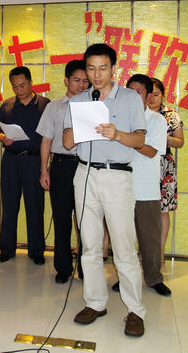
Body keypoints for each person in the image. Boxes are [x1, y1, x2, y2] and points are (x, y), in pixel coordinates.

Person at [63, 44, 146, 337]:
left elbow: (140, 140)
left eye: (103, 68)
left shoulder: (130, 98)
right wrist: (78, 128)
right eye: (91, 68)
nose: (96, 75)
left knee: (123, 247)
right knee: (89, 245)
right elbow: (67, 141)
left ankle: (135, 310)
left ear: (113, 68)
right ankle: (95, 303)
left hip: (117, 176)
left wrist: (116, 134)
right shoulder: (79, 100)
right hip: (85, 174)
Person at [112, 74, 171, 296]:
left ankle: (154, 278)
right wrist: (121, 135)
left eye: (139, 92)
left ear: (147, 96)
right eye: (130, 91)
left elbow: (151, 151)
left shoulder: (157, 120)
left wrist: (123, 137)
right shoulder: (119, 120)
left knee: (150, 238)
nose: (134, 95)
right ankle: (125, 278)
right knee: (123, 238)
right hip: (121, 186)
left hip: (146, 188)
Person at [36, 60, 88, 284]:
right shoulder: (54, 107)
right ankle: (63, 267)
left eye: (85, 81)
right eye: (77, 80)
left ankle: (86, 268)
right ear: (66, 80)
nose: (81, 85)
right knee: (62, 218)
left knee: (87, 220)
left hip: (86, 165)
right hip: (61, 166)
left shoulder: (95, 106)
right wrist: (44, 170)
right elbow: (46, 140)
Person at [0, 66, 50, 265]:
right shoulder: (7, 105)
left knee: (35, 207)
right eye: (15, 87)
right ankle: (6, 249)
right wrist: (3, 137)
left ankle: (36, 251)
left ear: (31, 83)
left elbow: (50, 134)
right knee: (9, 206)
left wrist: (46, 166)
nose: (19, 90)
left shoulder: (44, 105)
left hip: (34, 160)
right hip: (11, 159)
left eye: (22, 85)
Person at [148, 78, 184, 265]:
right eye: (149, 94)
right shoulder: (137, 112)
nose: (152, 98)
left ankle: (159, 252)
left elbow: (180, 142)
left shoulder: (171, 115)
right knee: (141, 211)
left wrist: (165, 138)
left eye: (157, 94)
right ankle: (144, 251)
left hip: (164, 166)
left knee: (163, 211)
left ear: (163, 95)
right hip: (142, 163)